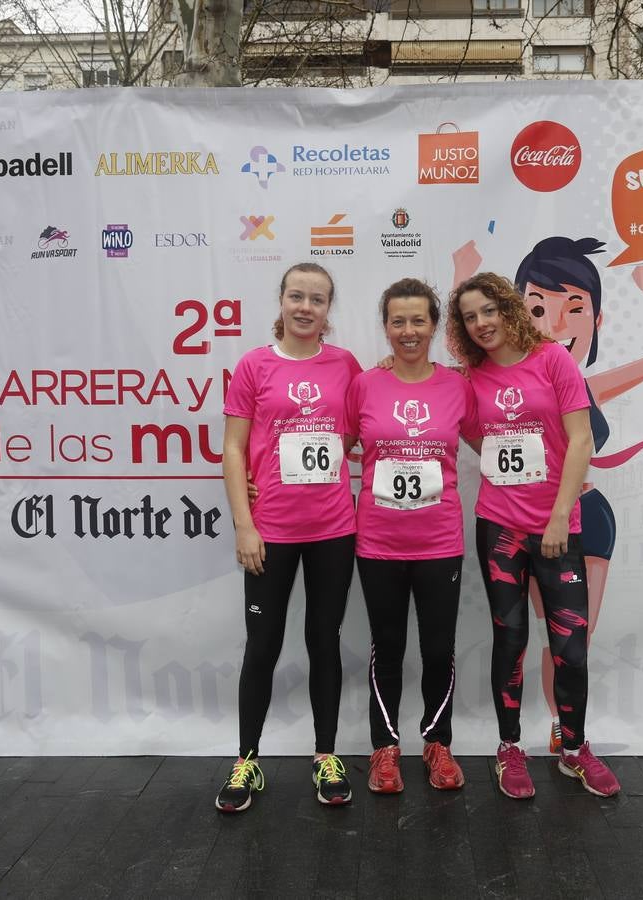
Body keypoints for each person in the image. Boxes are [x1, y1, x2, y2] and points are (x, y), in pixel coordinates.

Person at [447, 272, 621, 800]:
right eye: (469, 317)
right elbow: (476, 435)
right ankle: (509, 748)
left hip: (557, 528)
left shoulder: (553, 359)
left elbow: (580, 437)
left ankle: (573, 749)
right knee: (512, 639)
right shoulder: (468, 377)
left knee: (571, 647)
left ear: (508, 309)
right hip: (499, 527)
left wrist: (558, 513)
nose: (481, 323)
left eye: (488, 311)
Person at [512, 237, 643, 751]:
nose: (556, 323)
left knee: (577, 639)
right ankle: (560, 729)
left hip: (591, 515)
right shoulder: (510, 382)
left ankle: (570, 730)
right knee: (551, 636)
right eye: (537, 307)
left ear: (597, 321)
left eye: (574, 308)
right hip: (535, 518)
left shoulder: (586, 385)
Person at [216, 262, 362, 813]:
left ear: (328, 310)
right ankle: (246, 760)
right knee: (263, 645)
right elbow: (233, 449)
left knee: (323, 641)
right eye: (296, 296)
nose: (306, 307)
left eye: (317, 299)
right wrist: (244, 524)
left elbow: (350, 434)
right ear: (280, 302)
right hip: (268, 533)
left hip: (333, 529)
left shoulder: (345, 365)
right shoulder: (254, 366)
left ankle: (326, 755)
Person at [345, 278, 474, 794]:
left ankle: (437, 744)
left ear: (435, 325)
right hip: (377, 540)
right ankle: (386, 748)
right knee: (388, 646)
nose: (408, 331)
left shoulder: (457, 386)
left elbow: (502, 440)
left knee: (440, 648)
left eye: (418, 320)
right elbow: (331, 446)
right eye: (397, 321)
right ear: (386, 327)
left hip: (440, 540)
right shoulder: (365, 385)